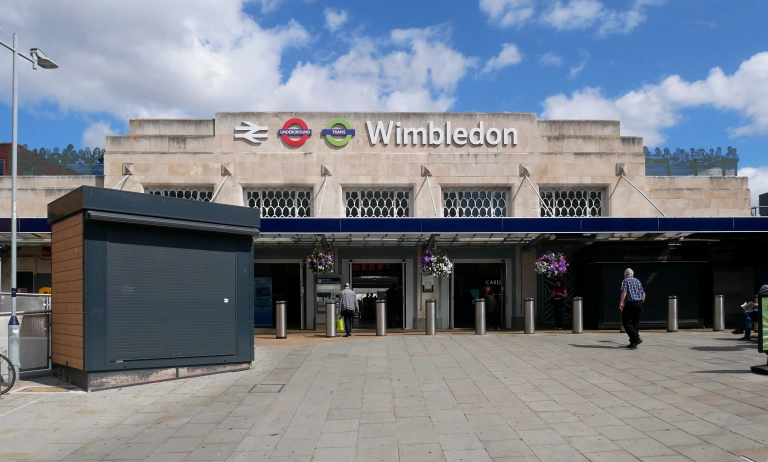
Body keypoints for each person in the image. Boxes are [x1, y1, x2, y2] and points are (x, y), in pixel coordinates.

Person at [620, 268, 645, 349]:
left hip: (631, 303)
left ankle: (636, 338)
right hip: (640, 302)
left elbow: (624, 292)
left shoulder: (625, 280)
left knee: (625, 321)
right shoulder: (638, 281)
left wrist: (621, 302)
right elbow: (643, 294)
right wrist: (641, 305)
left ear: (626, 274)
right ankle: (633, 342)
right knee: (635, 322)